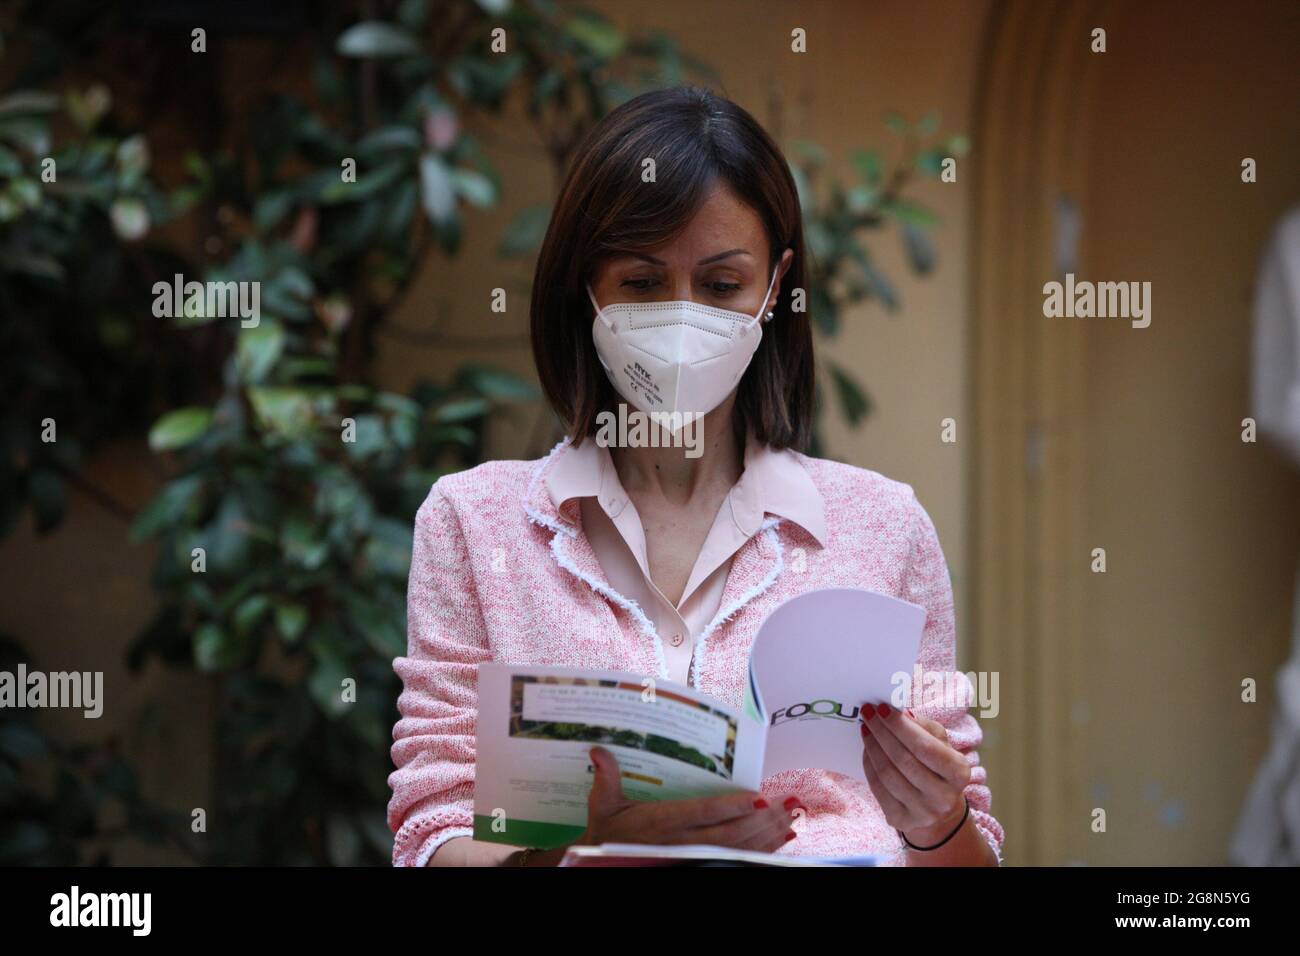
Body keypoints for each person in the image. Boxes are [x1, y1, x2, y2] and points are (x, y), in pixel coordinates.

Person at [387, 85, 1004, 867]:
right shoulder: (474, 524)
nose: (682, 318)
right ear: (585, 286)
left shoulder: (883, 526)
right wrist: (588, 845)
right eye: (642, 285)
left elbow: (965, 843)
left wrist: (939, 821)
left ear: (775, 286)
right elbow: (434, 830)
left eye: (720, 286)